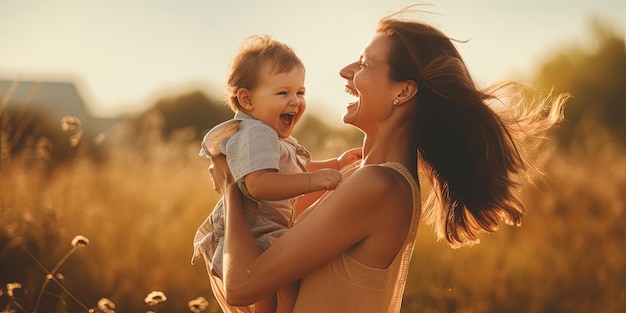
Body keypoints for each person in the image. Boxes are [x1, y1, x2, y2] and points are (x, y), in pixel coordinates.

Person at [210, 9, 569, 313]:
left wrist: (230, 186)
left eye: (365, 63)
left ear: (404, 91)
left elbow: (242, 286)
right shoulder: (355, 174)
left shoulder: (378, 185)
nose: (345, 71)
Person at [191, 35, 361, 313]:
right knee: (276, 287)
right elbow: (259, 184)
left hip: (268, 228)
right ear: (247, 99)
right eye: (283, 93)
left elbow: (291, 171)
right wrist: (312, 182)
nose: (294, 101)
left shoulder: (270, 136)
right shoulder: (256, 134)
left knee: (283, 284)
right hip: (255, 231)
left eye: (300, 92)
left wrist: (336, 164)